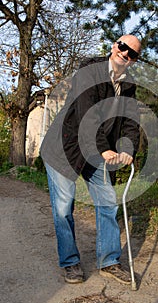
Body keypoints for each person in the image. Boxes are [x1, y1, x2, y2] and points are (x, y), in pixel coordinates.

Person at [40, 34, 141, 285]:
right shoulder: (89, 70)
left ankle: (109, 261)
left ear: (134, 60)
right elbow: (88, 113)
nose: (126, 53)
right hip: (65, 149)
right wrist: (104, 148)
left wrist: (127, 148)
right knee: (63, 209)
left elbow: (130, 122)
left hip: (97, 153)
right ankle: (70, 262)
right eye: (123, 46)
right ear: (114, 46)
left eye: (133, 53)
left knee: (108, 203)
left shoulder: (129, 85)